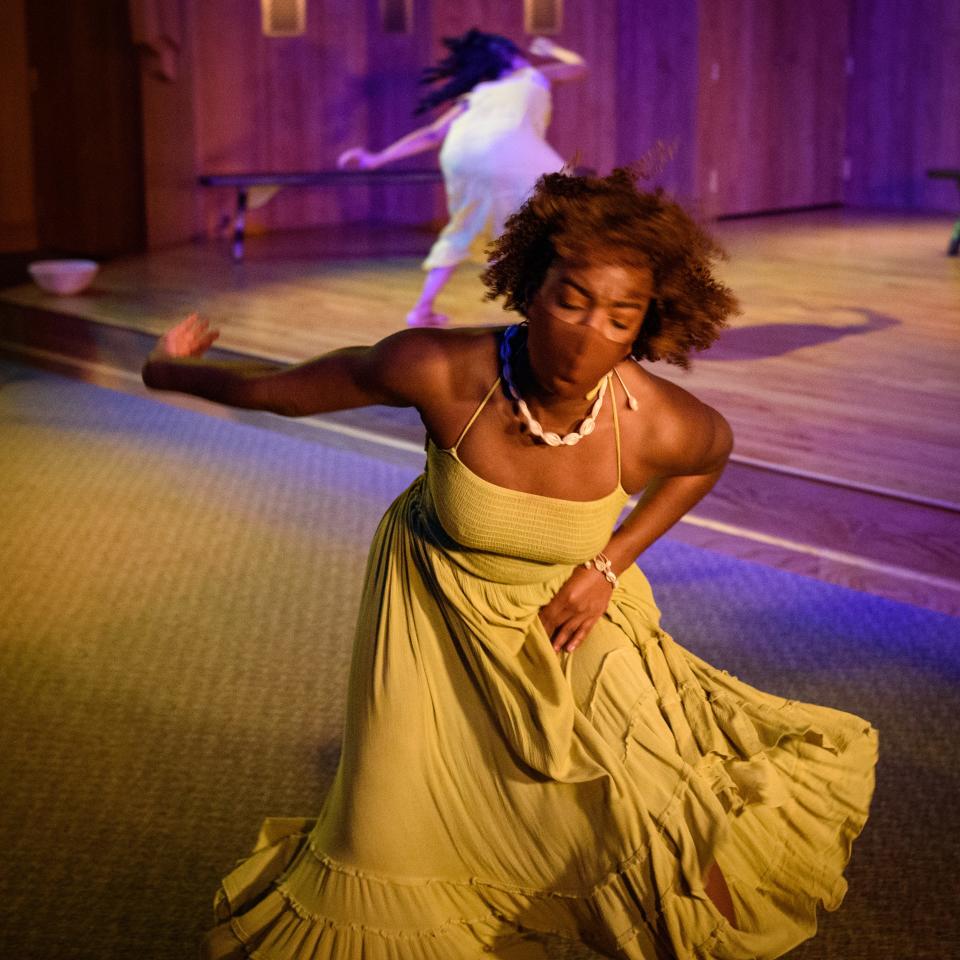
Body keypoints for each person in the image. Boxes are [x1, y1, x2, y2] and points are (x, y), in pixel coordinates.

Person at [143, 168, 877, 960]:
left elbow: (709, 459)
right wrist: (166, 368)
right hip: (438, 603)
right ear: (530, 288)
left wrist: (611, 561)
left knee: (650, 799)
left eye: (619, 316)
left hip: (571, 607)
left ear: (644, 326)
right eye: (571, 299)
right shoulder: (439, 371)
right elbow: (278, 393)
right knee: (397, 827)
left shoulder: (655, 420)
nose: (589, 333)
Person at [338, 28, 585, 329]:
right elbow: (578, 67)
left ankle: (422, 310)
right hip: (506, 148)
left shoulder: (476, 95)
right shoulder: (532, 76)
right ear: (508, 57)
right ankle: (545, 296)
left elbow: (432, 135)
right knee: (562, 206)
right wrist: (552, 49)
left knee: (466, 226)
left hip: (462, 152)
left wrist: (377, 158)